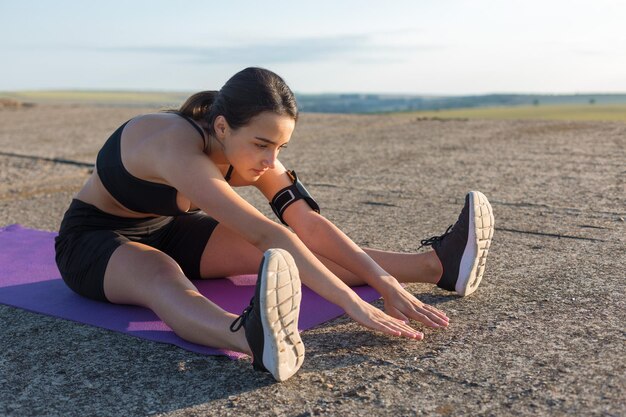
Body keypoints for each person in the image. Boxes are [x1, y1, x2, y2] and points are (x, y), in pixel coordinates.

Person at [54, 67, 494, 382]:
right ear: (222, 126)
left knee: (294, 255)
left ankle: (437, 266)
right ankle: (250, 337)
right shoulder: (174, 144)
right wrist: (353, 303)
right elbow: (267, 232)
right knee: (161, 275)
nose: (271, 160)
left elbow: (307, 224)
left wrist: (383, 282)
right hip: (94, 241)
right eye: (263, 144)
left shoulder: (252, 150)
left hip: (167, 228)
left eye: (280, 146)